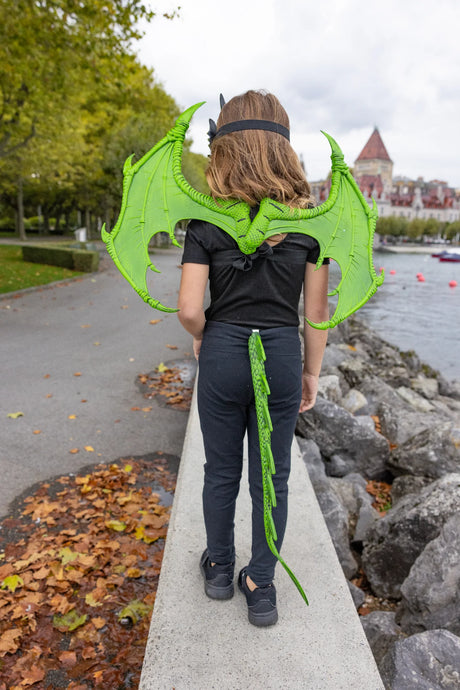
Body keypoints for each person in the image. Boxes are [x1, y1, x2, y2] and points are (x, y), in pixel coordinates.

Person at [177, 90, 329, 627]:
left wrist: (202, 336)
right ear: (284, 148)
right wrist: (310, 371)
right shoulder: (314, 223)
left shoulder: (206, 219)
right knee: (274, 476)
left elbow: (190, 308)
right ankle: (260, 586)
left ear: (225, 145)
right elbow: (316, 313)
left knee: (220, 470)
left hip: (223, 351)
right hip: (282, 352)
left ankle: (219, 567)